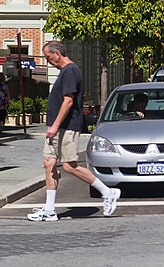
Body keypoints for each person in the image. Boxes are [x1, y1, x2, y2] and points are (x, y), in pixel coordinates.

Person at [27, 41, 120, 222]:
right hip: (56, 128)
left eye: (48, 57)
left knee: (69, 165)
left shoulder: (70, 71)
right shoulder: (65, 72)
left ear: (57, 54)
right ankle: (49, 209)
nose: (48, 61)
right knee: (49, 163)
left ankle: (107, 192)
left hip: (66, 127)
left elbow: (68, 101)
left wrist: (55, 126)